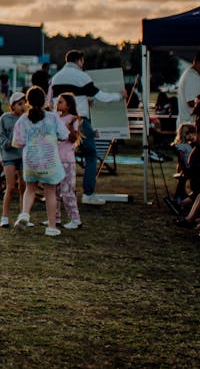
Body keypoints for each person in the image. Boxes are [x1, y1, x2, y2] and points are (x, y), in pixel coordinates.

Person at [50, 49, 119, 206]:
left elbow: (53, 101)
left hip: (59, 122)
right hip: (79, 120)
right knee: (90, 154)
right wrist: (119, 96)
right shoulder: (82, 76)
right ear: (79, 60)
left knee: (61, 156)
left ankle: (57, 191)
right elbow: (101, 96)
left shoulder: (56, 77)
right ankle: (88, 193)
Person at [11, 86, 69, 237]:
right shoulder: (53, 117)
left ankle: (24, 214)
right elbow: (64, 135)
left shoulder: (23, 119)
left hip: (31, 162)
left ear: (28, 102)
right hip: (49, 162)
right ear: (44, 101)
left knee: (30, 189)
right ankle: (51, 227)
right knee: (50, 193)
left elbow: (18, 142)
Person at [52, 93, 83, 230]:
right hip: (55, 159)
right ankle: (55, 217)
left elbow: (73, 139)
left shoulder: (72, 119)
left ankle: (75, 219)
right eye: (57, 101)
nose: (57, 104)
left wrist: (70, 126)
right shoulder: (56, 118)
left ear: (69, 105)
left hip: (66, 161)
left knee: (67, 191)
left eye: (61, 102)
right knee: (54, 191)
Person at [0, 92, 27, 228]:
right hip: (9, 156)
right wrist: (8, 143)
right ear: (12, 106)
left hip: (22, 156)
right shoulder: (4, 118)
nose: (22, 107)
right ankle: (5, 216)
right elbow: (0, 136)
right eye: (19, 104)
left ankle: (23, 216)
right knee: (11, 187)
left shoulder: (26, 119)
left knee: (23, 187)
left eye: (24, 104)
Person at [176, 51, 200, 129]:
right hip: (190, 126)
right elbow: (191, 102)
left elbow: (196, 97)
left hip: (190, 124)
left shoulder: (191, 75)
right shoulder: (191, 77)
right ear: (197, 63)